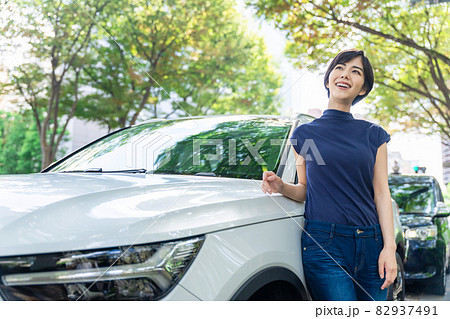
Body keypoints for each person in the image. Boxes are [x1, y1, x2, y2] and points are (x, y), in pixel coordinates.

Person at [261, 49, 397, 301]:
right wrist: (281, 186)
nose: (345, 74)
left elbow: (381, 192)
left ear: (363, 89)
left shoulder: (374, 135)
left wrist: (389, 247)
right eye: (340, 68)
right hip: (324, 245)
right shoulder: (304, 135)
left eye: (355, 72)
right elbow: (304, 190)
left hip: (371, 243)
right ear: (328, 80)